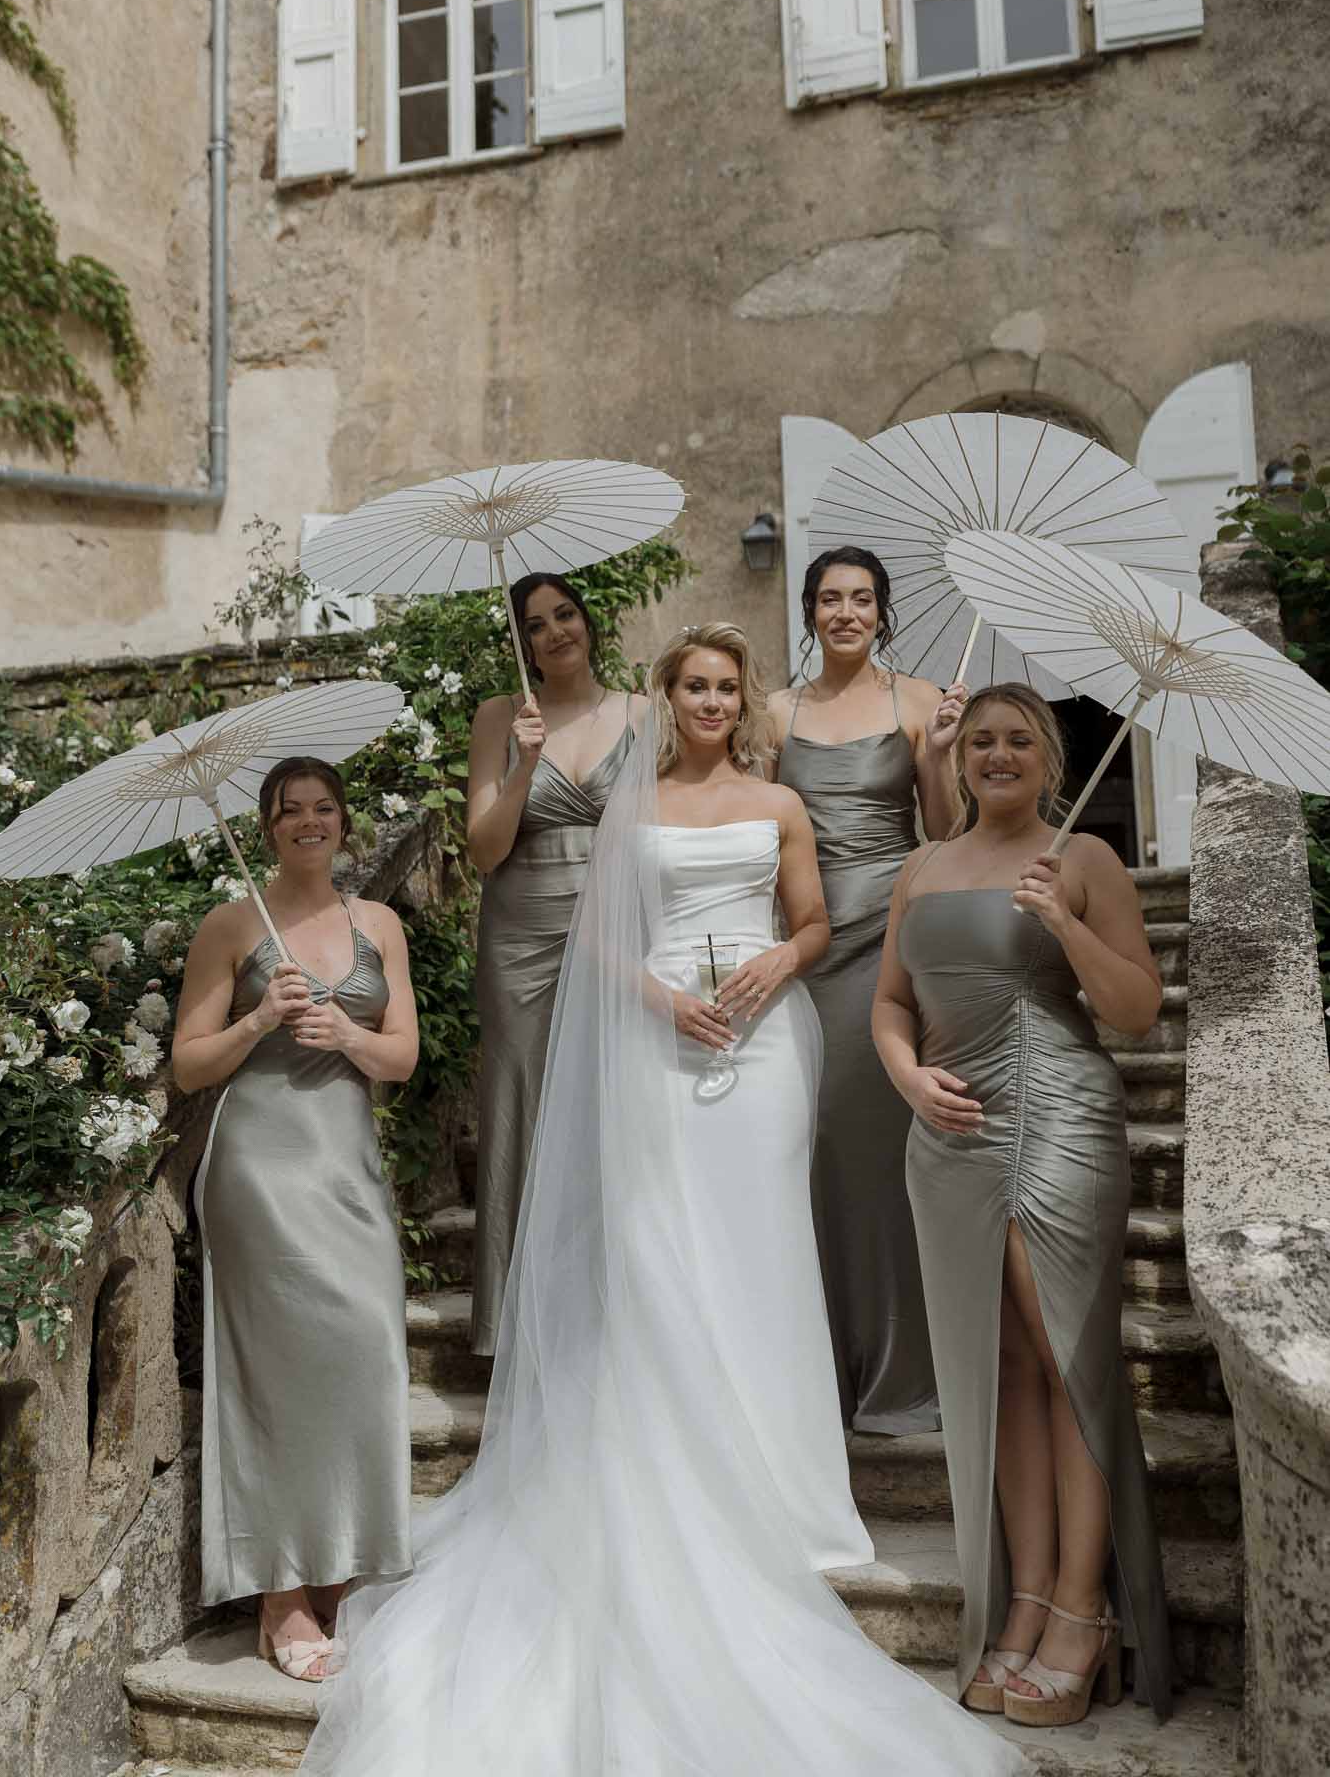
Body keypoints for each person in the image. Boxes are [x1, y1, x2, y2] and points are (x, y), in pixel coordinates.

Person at [297, 626, 1025, 1777]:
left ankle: (785, 1495)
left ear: (744, 701)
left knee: (765, 1248)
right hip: (659, 1041)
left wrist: (778, 967)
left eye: (728, 687)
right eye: (693, 683)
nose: (711, 700)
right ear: (669, 694)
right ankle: (672, 1468)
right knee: (660, 1247)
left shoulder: (782, 802)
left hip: (767, 1046)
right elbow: (594, 943)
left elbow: (821, 922)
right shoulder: (626, 815)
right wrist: (664, 1000)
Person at [873, 685, 1172, 1728]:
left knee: (1066, 1361)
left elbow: (1136, 1010)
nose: (998, 754)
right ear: (960, 760)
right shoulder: (923, 864)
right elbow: (889, 1004)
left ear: (1048, 756)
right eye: (983, 740)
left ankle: (1084, 1612)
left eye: (1019, 740)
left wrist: (1062, 924)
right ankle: (1029, 1594)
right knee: (998, 1372)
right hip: (946, 1135)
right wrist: (909, 1078)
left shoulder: (1084, 859)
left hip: (1057, 1116)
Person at [173, 757, 419, 1681]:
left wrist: (348, 1035)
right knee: (272, 1376)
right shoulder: (232, 926)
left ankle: (349, 1568)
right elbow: (189, 1065)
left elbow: (400, 1059)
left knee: (366, 1350)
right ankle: (279, 1591)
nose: (306, 823)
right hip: (259, 1169)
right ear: (268, 827)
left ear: (343, 822)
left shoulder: (379, 924)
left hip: (347, 1168)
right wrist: (255, 1024)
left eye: (322, 808)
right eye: (288, 812)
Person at [770, 546, 965, 1435]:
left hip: (892, 934)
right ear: (808, 612)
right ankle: (823, 1366)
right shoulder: (774, 712)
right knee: (812, 1143)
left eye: (860, 599)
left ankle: (903, 1369)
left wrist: (944, 753)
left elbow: (945, 828)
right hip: (806, 944)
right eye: (828, 599)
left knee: (884, 1142)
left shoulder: (918, 700)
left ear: (881, 611)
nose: (844, 612)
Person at [466, 571, 643, 1355]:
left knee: (617, 1107)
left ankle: (613, 1308)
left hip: (618, 929)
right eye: (534, 625)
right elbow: (482, 850)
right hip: (519, 937)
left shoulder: (645, 714)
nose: (553, 633)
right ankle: (515, 1324)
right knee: (523, 1109)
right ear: (524, 643)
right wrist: (523, 766)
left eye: (563, 615)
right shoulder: (499, 717)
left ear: (587, 622)